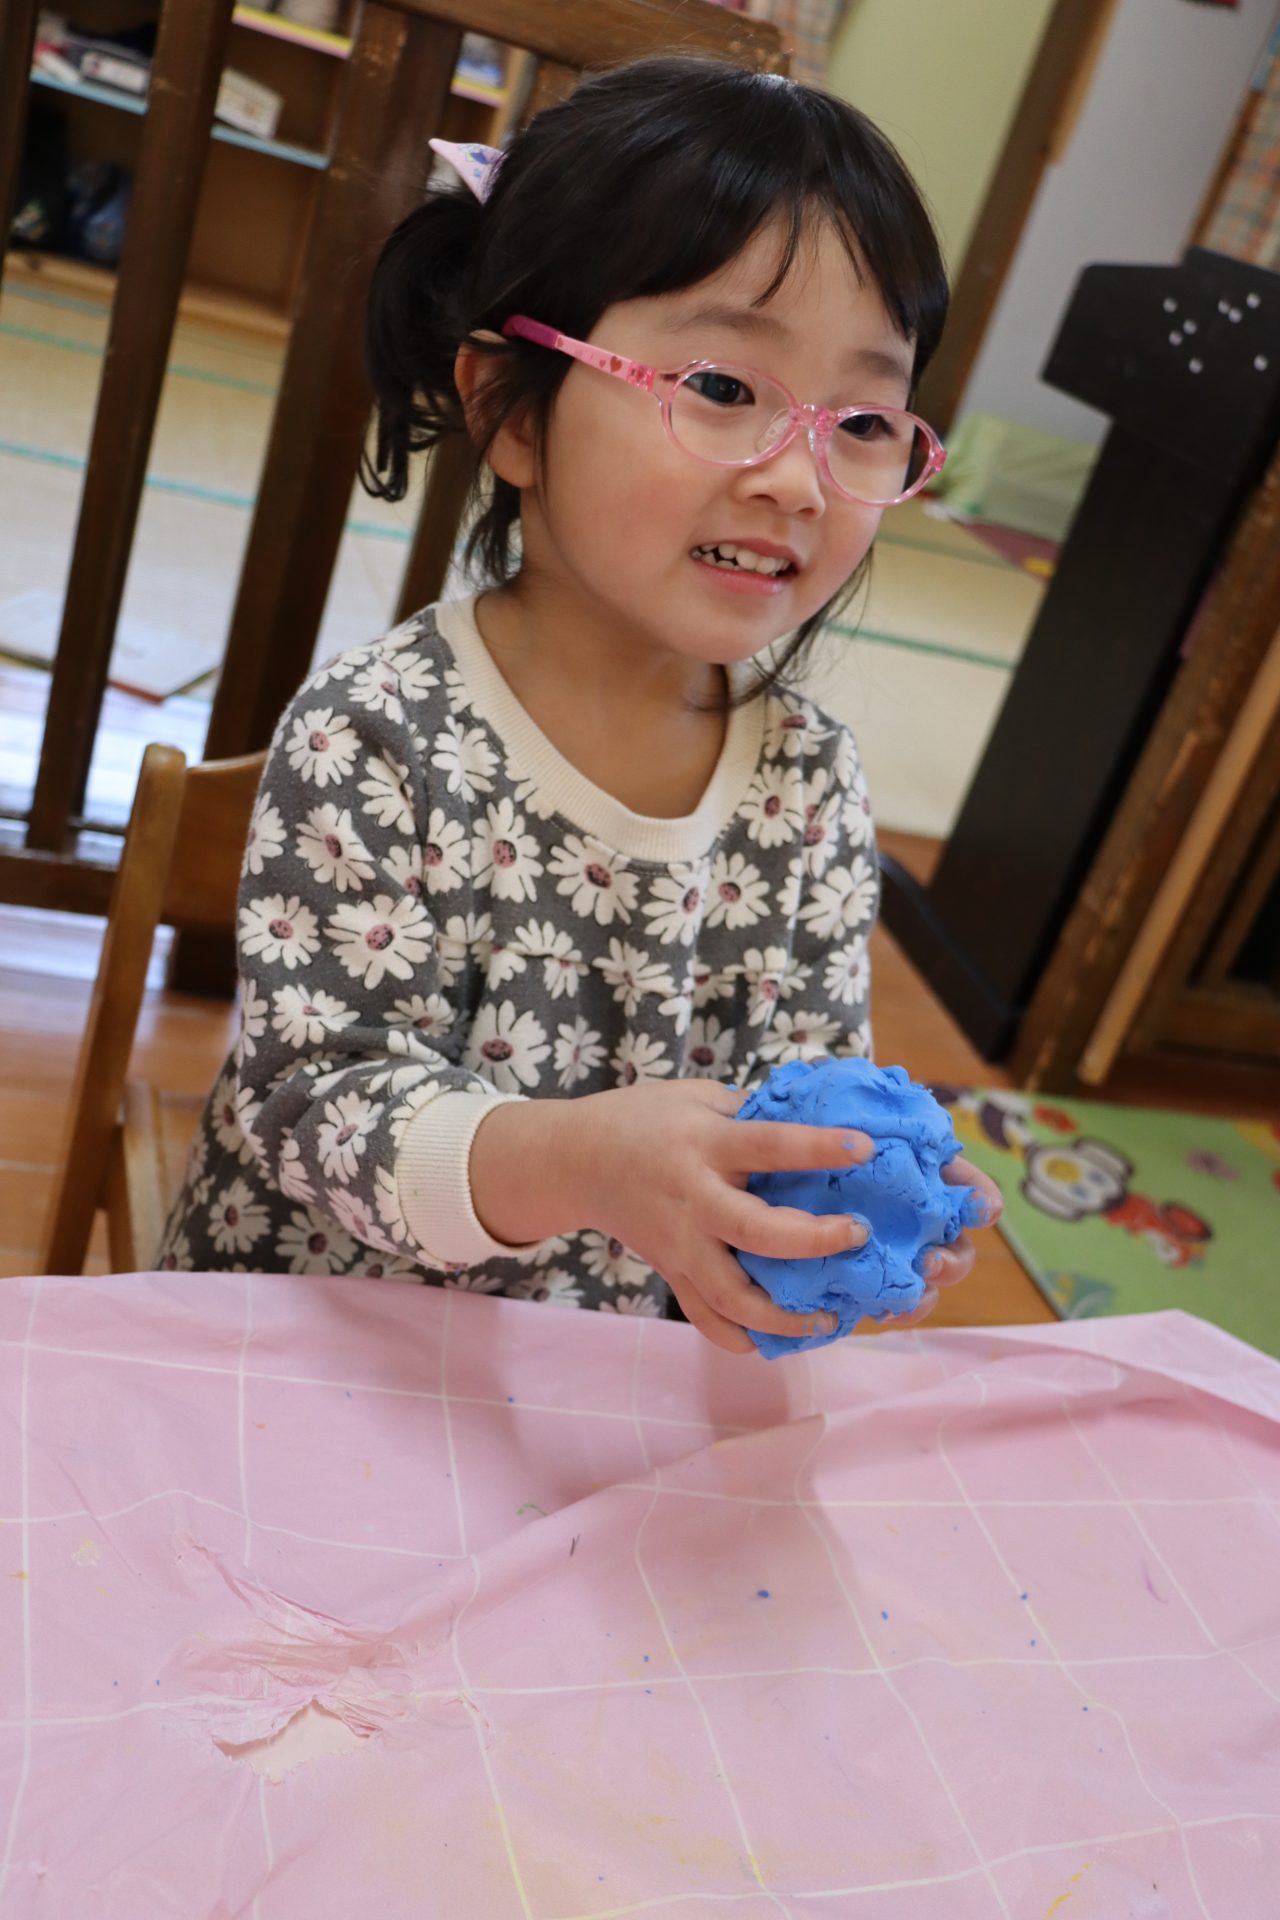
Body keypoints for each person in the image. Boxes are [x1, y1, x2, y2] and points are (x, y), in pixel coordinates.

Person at [159, 55, 1003, 1351]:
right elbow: (316, 1106)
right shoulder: (377, 734)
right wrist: (583, 1162)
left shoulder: (810, 782)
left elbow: (799, 1091)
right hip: (310, 1335)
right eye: (722, 389)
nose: (798, 482)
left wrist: (835, 1202)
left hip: (591, 1366)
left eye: (863, 423)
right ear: (510, 411)